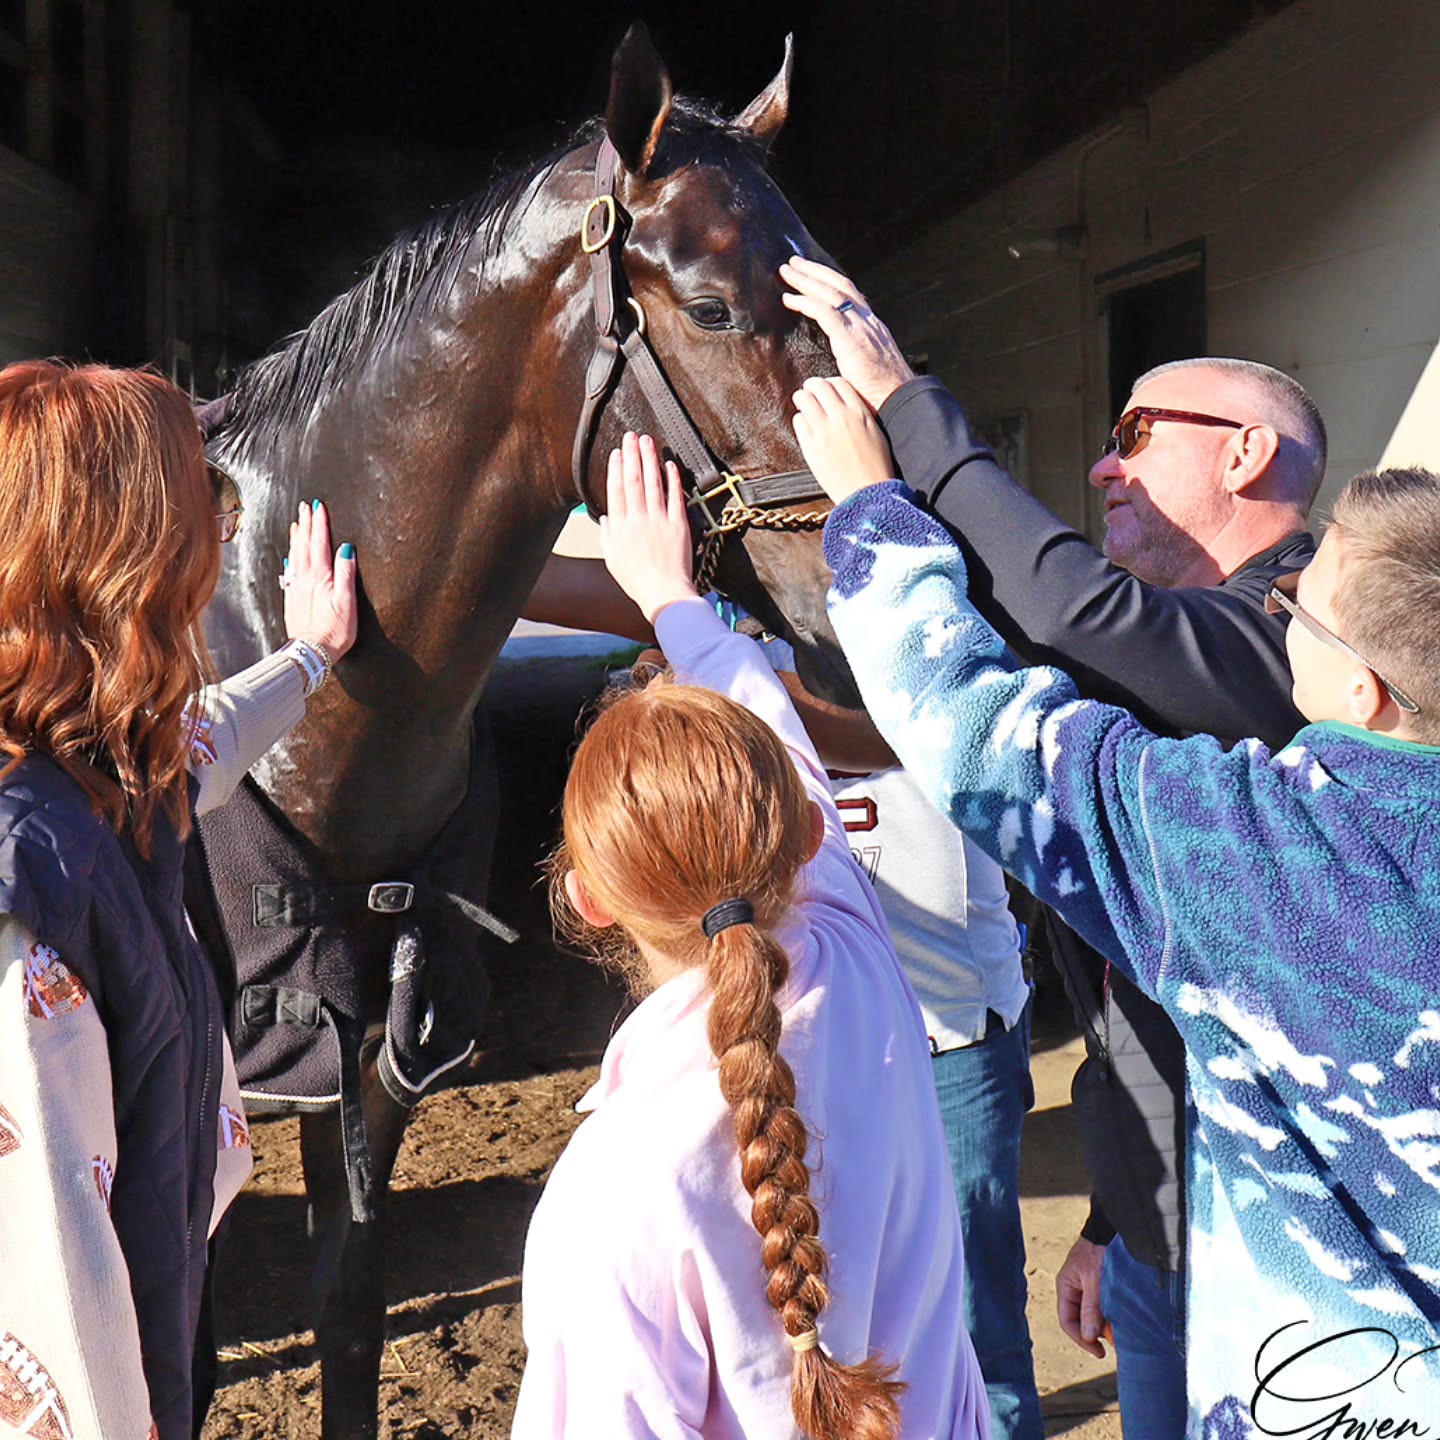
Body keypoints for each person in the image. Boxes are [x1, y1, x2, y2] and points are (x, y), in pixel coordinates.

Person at [792, 374, 1440, 1436]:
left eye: (1301, 613)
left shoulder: (1249, 843)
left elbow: (974, 723)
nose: (1281, 612)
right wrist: (1110, 1214)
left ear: (1363, 689)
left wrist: (875, 500)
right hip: (1159, 1228)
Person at [512, 434, 987, 1440]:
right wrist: (671, 598)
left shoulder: (613, 1194)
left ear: (591, 900)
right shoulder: (858, 962)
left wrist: (658, 591)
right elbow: (768, 711)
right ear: (817, 838)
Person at [0, 360, 358, 1440]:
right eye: (198, 515)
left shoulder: (90, 765)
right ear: (130, 567)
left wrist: (311, 658)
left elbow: (200, 742)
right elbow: (55, 1311)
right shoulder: (27, 894)